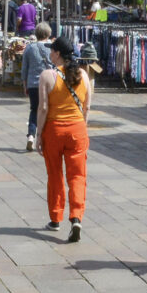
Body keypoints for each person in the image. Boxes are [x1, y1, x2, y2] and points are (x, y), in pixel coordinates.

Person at [38, 40, 95, 241]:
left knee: (54, 174)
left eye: (51, 51)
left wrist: (38, 134)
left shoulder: (47, 76)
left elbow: (43, 108)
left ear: (57, 53)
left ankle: (55, 218)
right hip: (77, 129)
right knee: (78, 176)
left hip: (54, 130)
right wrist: (82, 126)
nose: (50, 54)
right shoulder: (84, 75)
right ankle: (76, 217)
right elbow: (87, 106)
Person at [19, 27, 57, 151]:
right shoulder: (52, 47)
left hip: (33, 83)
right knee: (47, 110)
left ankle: (31, 135)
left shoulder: (29, 48)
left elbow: (24, 68)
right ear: (48, 33)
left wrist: (25, 84)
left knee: (34, 110)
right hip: (49, 84)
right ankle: (45, 137)